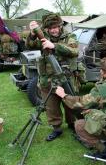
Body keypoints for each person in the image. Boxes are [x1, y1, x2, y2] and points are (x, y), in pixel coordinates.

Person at [26, 12, 79, 141]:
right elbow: (29, 45)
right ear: (46, 29)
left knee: (70, 102)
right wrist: (32, 33)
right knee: (51, 105)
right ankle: (56, 128)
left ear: (60, 26)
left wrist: (54, 46)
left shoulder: (69, 36)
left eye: (55, 27)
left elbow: (74, 51)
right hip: (48, 78)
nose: (53, 30)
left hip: (66, 77)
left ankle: (74, 125)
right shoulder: (43, 37)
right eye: (50, 28)